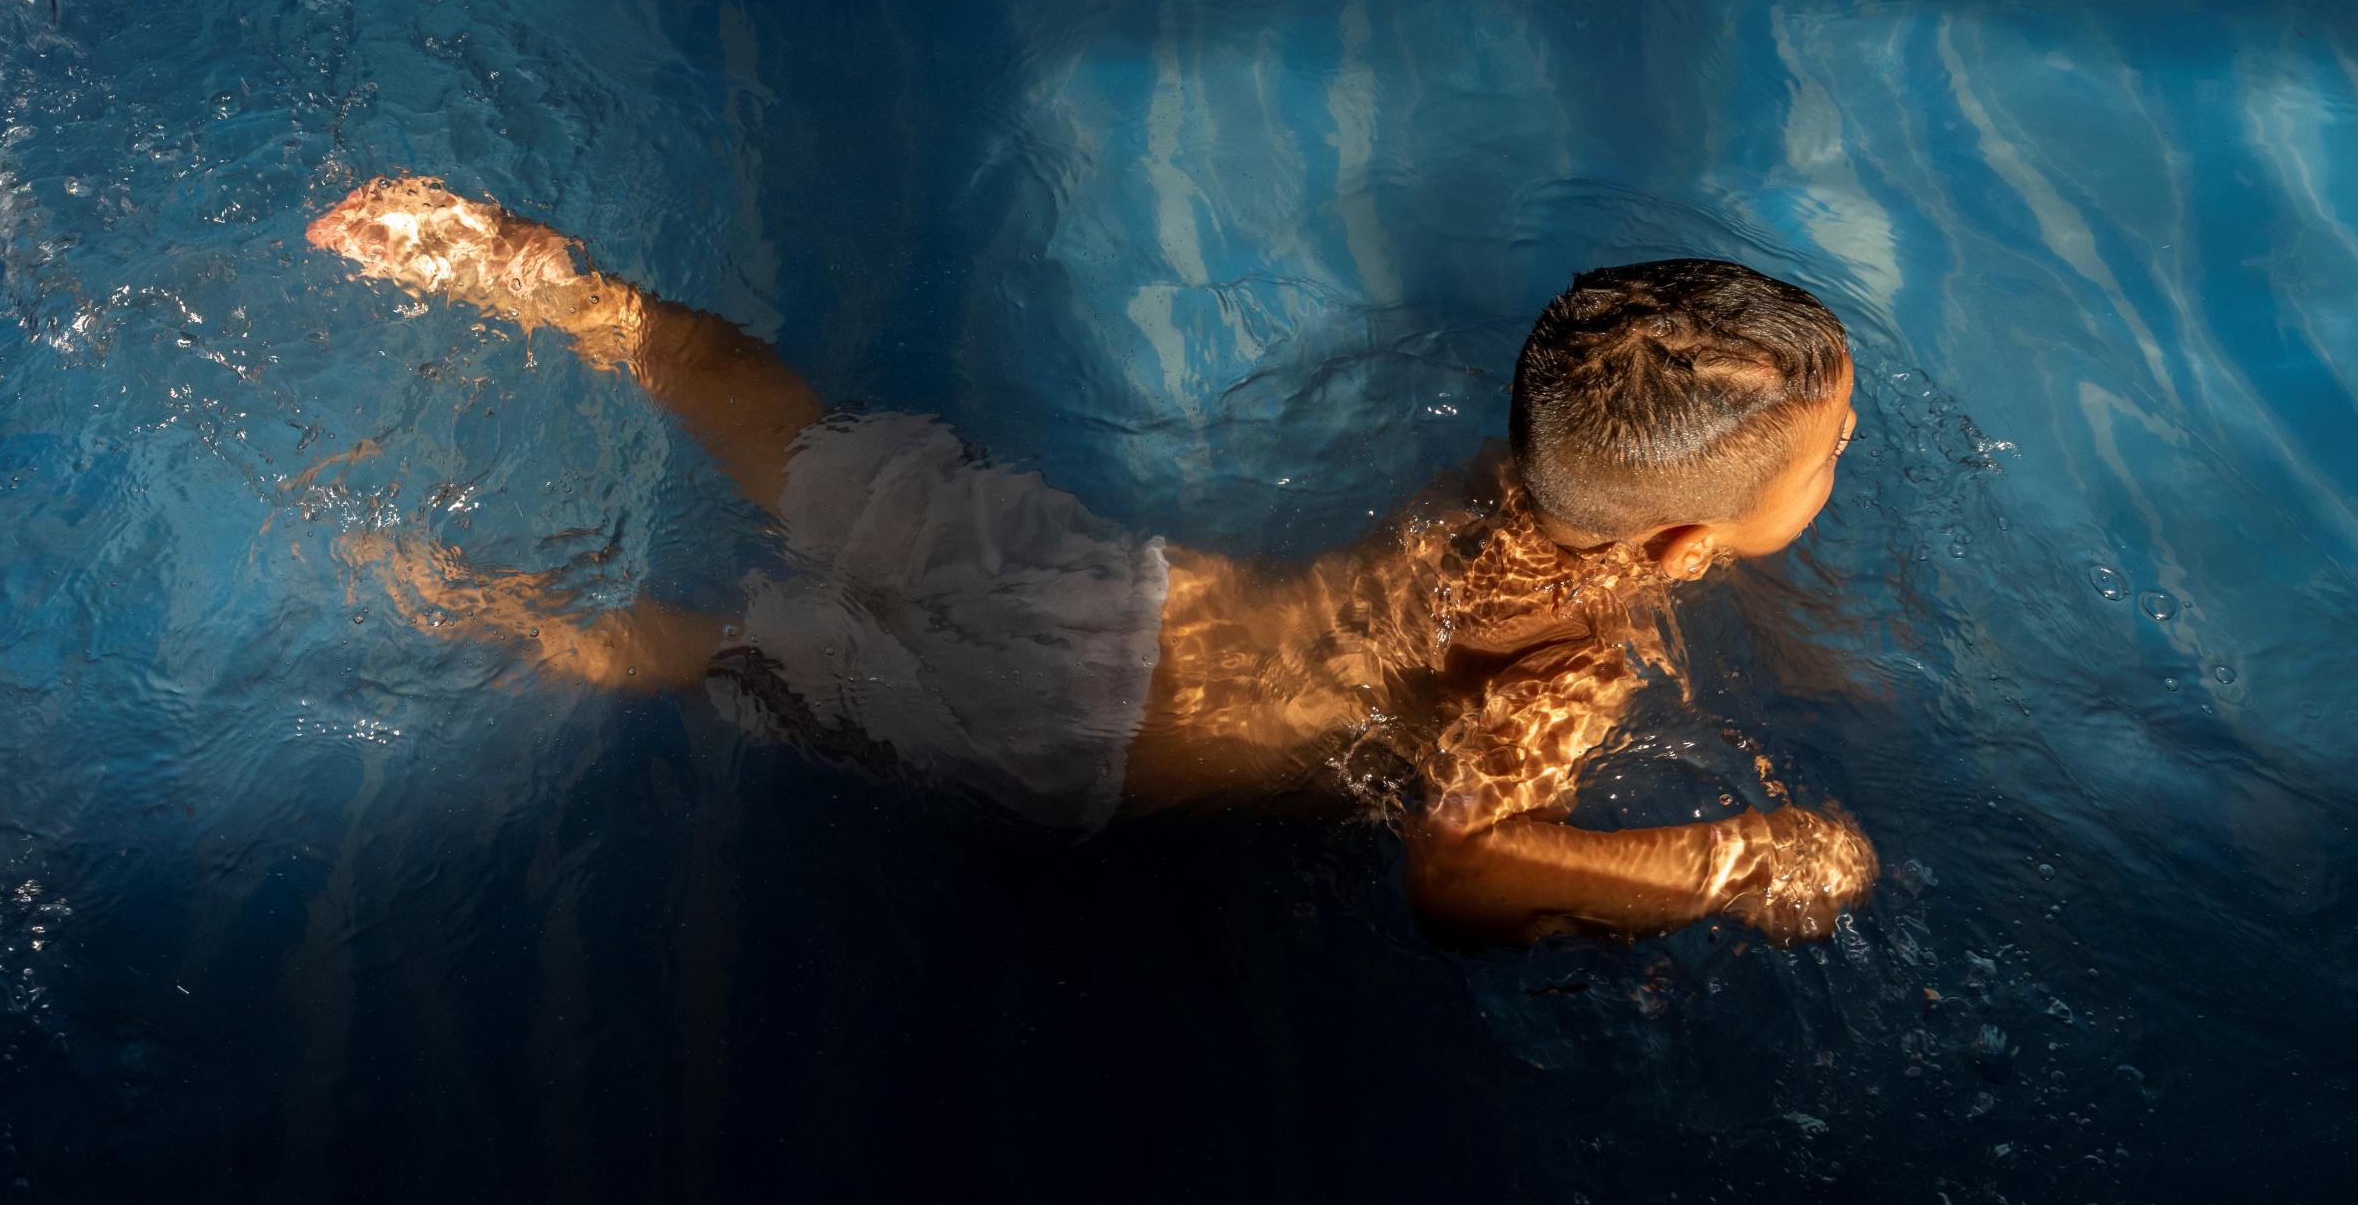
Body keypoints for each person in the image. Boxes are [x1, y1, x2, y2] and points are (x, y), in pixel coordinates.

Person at [307, 176, 1876, 947]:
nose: (1847, 457)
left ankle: (527, 277)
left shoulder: (1516, 477)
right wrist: (1737, 861)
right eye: (1832, 457)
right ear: (1676, 540)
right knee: (716, 656)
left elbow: (1633, 525)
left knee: (782, 432)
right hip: (1074, 739)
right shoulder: (1577, 662)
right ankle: (429, 592)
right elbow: (1456, 869)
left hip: (1100, 584)